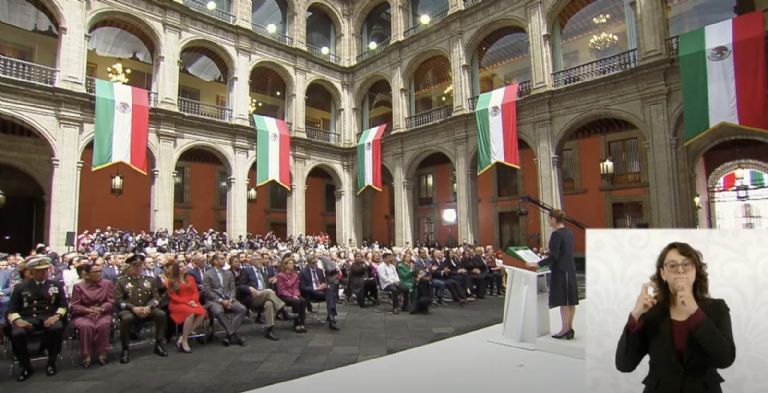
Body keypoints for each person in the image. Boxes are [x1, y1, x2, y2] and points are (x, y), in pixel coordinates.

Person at [615, 242, 735, 393]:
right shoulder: (652, 312)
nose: (680, 270)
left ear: (696, 271)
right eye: (672, 266)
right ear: (663, 273)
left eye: (687, 264)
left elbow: (725, 359)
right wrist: (636, 315)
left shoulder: (717, 308)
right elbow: (624, 365)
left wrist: (694, 311)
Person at [7, 256, 68, 381]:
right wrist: (18, 320)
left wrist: (56, 317)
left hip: (49, 317)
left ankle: (51, 362)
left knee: (57, 329)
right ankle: (25, 366)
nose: (44, 273)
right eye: (40, 271)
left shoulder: (55, 284)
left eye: (46, 270)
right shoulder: (20, 287)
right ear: (32, 272)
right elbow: (12, 309)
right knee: (17, 334)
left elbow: (63, 305)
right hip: (28, 318)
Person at [527, 209, 578, 339]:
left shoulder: (557, 235)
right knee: (570, 301)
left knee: (564, 302)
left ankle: (565, 329)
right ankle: (570, 328)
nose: (548, 221)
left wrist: (538, 264)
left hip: (561, 271)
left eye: (549, 219)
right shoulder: (569, 233)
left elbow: (554, 256)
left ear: (553, 219)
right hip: (570, 270)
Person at [114, 253, 169, 363]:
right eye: (134, 266)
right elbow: (119, 300)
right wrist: (133, 308)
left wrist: (149, 307)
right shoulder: (122, 281)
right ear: (129, 267)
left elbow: (156, 297)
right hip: (129, 310)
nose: (137, 268)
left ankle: (159, 343)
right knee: (126, 319)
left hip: (147, 308)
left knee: (161, 314)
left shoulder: (149, 280)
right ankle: (125, 349)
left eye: (139, 266)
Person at [232, 255, 296, 341]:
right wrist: (249, 288)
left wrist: (273, 286)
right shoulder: (246, 271)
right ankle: (284, 312)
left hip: (265, 295)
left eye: (260, 259)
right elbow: (240, 286)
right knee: (268, 292)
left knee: (269, 303)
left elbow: (268, 286)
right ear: (252, 261)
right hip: (253, 297)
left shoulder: (263, 273)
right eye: (258, 259)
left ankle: (269, 330)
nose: (260, 261)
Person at [70, 263, 114, 368]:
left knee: (103, 324)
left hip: (102, 312)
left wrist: (102, 308)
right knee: (86, 326)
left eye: (100, 271)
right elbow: (74, 305)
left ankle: (103, 353)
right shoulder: (78, 286)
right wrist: (87, 310)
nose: (98, 274)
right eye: (95, 272)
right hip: (84, 314)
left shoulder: (107, 284)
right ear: (87, 274)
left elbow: (111, 301)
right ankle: (86, 355)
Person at [203, 253, 248, 346]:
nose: (224, 260)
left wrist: (231, 299)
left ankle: (229, 335)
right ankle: (233, 334)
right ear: (215, 261)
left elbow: (233, 288)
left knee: (242, 309)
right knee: (219, 311)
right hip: (214, 300)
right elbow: (207, 291)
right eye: (222, 259)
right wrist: (220, 300)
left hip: (228, 298)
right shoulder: (208, 274)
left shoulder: (228, 273)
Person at [166, 261, 206, 353]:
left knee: (202, 312)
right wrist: (187, 302)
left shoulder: (190, 278)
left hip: (192, 302)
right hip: (178, 303)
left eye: (184, 266)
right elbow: (173, 296)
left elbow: (195, 291)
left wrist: (193, 301)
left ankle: (183, 336)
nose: (183, 268)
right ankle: (184, 341)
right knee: (190, 313)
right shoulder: (172, 281)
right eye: (180, 266)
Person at [299, 255, 339, 330]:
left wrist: (324, 285)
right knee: (330, 294)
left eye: (316, 262)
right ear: (308, 263)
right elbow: (303, 287)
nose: (315, 264)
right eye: (313, 263)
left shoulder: (319, 271)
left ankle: (331, 317)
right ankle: (332, 316)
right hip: (310, 293)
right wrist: (315, 288)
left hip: (321, 292)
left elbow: (324, 282)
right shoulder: (303, 272)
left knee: (330, 290)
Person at [275, 255, 308, 333]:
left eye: (292, 263)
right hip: (284, 295)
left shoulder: (295, 275)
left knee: (303, 301)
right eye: (289, 263)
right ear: (285, 265)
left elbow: (296, 287)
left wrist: (295, 295)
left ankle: (302, 323)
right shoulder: (280, 275)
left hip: (294, 294)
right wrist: (292, 296)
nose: (291, 265)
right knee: (295, 301)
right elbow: (281, 289)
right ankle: (296, 324)